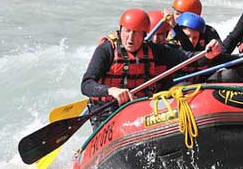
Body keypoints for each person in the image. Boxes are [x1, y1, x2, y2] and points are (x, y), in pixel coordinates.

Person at [81, 8, 221, 128]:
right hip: (106, 111)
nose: (130, 38)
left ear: (144, 35)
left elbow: (187, 59)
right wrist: (112, 91)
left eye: (136, 33)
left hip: (139, 108)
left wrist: (208, 55)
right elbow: (86, 84)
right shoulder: (106, 50)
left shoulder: (154, 50)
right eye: (127, 31)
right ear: (120, 30)